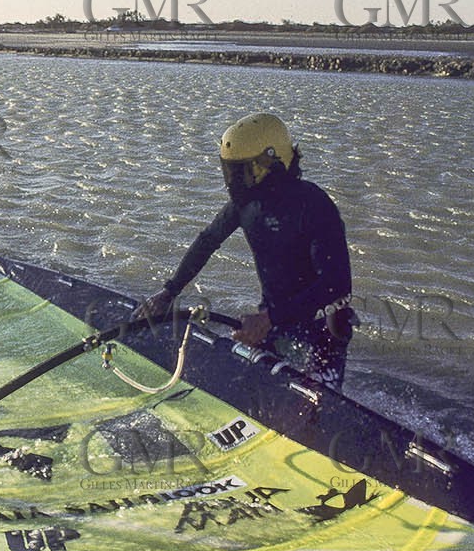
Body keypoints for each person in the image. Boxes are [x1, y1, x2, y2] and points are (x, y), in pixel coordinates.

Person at [134, 113, 356, 389]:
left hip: (323, 327)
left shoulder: (315, 206)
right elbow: (207, 241)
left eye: (243, 172)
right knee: (259, 390)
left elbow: (338, 285)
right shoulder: (244, 204)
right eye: (231, 171)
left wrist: (267, 319)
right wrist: (169, 292)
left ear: (272, 163)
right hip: (276, 319)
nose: (234, 182)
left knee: (311, 405)